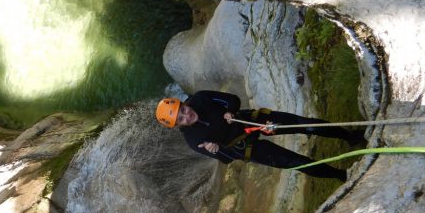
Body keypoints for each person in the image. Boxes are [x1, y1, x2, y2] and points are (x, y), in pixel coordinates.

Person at [156, 90, 364, 181]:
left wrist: (230, 112)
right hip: (244, 147)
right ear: (177, 126)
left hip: (250, 122)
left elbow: (231, 99)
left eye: (183, 109)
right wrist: (218, 151)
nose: (187, 115)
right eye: (181, 119)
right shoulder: (194, 141)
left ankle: (350, 137)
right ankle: (340, 175)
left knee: (304, 125)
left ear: (183, 103)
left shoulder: (200, 98)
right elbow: (227, 160)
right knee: (295, 162)